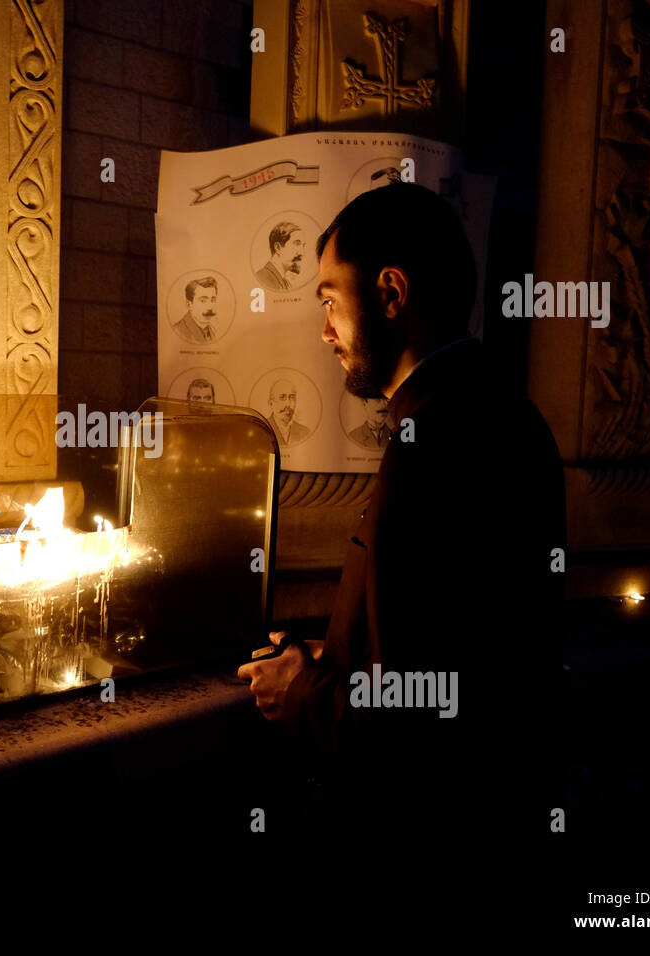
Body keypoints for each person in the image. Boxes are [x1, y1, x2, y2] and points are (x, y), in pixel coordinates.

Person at [237, 183, 565, 878]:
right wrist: (340, 649)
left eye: (330, 300)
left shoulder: (434, 444)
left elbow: (413, 719)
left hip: (417, 850)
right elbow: (462, 641)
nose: (323, 330)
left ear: (391, 293)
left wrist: (298, 692)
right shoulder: (506, 412)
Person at [254, 222, 306, 291]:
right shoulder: (263, 279)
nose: (302, 253)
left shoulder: (285, 283)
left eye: (303, 245)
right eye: (297, 244)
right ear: (278, 248)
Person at [172, 276, 219, 343]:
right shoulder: (178, 330)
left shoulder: (213, 330)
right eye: (203, 301)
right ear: (189, 304)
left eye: (213, 300)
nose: (210, 307)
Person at [267, 379, 309, 445]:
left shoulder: (305, 432)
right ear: (271, 403)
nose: (288, 404)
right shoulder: (262, 428)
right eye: (282, 398)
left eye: (292, 398)